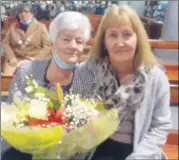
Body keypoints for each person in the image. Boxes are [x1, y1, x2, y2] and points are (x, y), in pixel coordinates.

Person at [72, 5, 172, 160]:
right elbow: (73, 107)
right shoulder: (89, 70)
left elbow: (160, 126)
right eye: (113, 35)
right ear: (104, 40)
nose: (120, 42)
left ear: (138, 38)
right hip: (95, 147)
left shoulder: (156, 78)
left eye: (127, 35)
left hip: (139, 150)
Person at [1, 11, 91, 160]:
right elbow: (12, 117)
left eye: (79, 41)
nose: (73, 46)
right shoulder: (27, 71)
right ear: (53, 41)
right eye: (66, 39)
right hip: (23, 149)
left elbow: (87, 130)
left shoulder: (87, 78)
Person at [2, 3, 52, 75]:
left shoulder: (40, 27)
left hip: (33, 60)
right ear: (18, 15)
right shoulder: (13, 27)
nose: (23, 14)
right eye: (20, 12)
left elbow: (48, 46)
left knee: (33, 82)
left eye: (26, 11)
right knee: (6, 81)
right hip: (15, 60)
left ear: (32, 14)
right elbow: (5, 43)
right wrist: (11, 57)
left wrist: (36, 58)